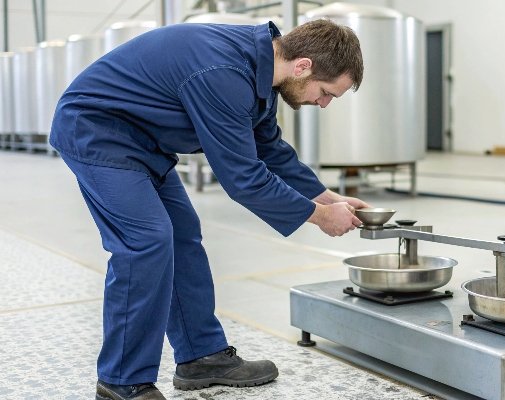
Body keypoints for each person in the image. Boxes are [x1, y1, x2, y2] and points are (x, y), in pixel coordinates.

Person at [49, 19, 366, 400]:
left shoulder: (263, 68)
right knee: (146, 241)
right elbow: (243, 177)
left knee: (182, 235)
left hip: (142, 142)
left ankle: (201, 357)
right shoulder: (224, 72)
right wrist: (318, 217)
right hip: (97, 132)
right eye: (327, 92)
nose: (324, 103)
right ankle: (121, 380)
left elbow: (268, 148)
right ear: (303, 67)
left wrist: (327, 198)